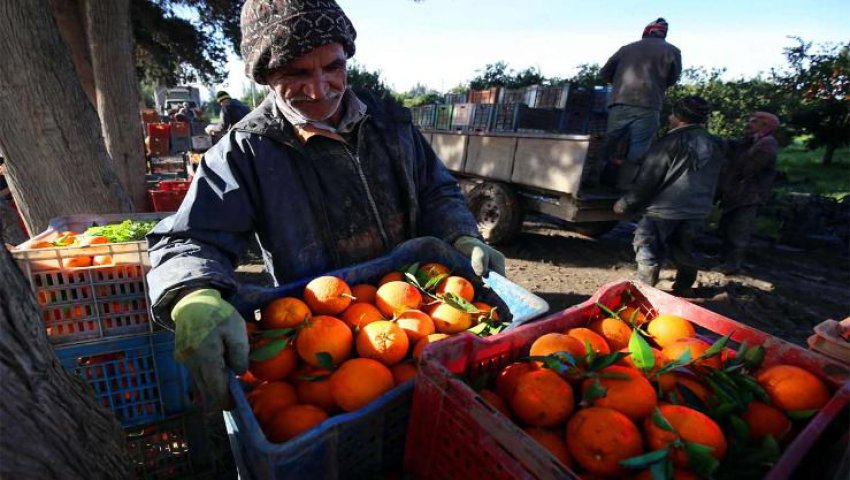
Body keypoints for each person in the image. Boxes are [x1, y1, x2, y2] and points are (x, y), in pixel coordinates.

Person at [146, 0, 505, 410]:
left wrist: (460, 235)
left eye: (333, 67)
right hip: (320, 338)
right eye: (296, 73)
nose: (319, 89)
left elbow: (436, 191)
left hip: (417, 317)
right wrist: (194, 293)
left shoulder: (390, 123)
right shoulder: (244, 153)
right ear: (264, 76)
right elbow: (192, 237)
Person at [613, 96, 724, 297]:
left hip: (664, 210)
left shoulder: (670, 141)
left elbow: (649, 179)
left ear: (679, 117)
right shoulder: (715, 143)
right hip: (698, 210)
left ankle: (644, 292)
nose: (670, 117)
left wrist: (626, 203)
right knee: (684, 249)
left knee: (647, 248)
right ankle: (683, 288)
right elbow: (721, 177)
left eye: (672, 114)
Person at [600, 18, 682, 190]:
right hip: (649, 105)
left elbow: (605, 72)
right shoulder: (673, 51)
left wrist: (616, 84)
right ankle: (624, 189)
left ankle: (591, 178)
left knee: (608, 143)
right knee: (639, 149)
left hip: (620, 102)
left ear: (647, 31)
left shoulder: (627, 48)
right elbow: (672, 79)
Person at [714, 111, 780, 274]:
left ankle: (732, 264)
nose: (748, 125)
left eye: (753, 122)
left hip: (749, 196)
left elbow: (747, 169)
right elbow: (732, 146)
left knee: (739, 230)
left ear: (765, 126)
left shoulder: (766, 144)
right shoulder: (752, 141)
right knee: (728, 227)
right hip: (739, 194)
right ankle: (724, 259)